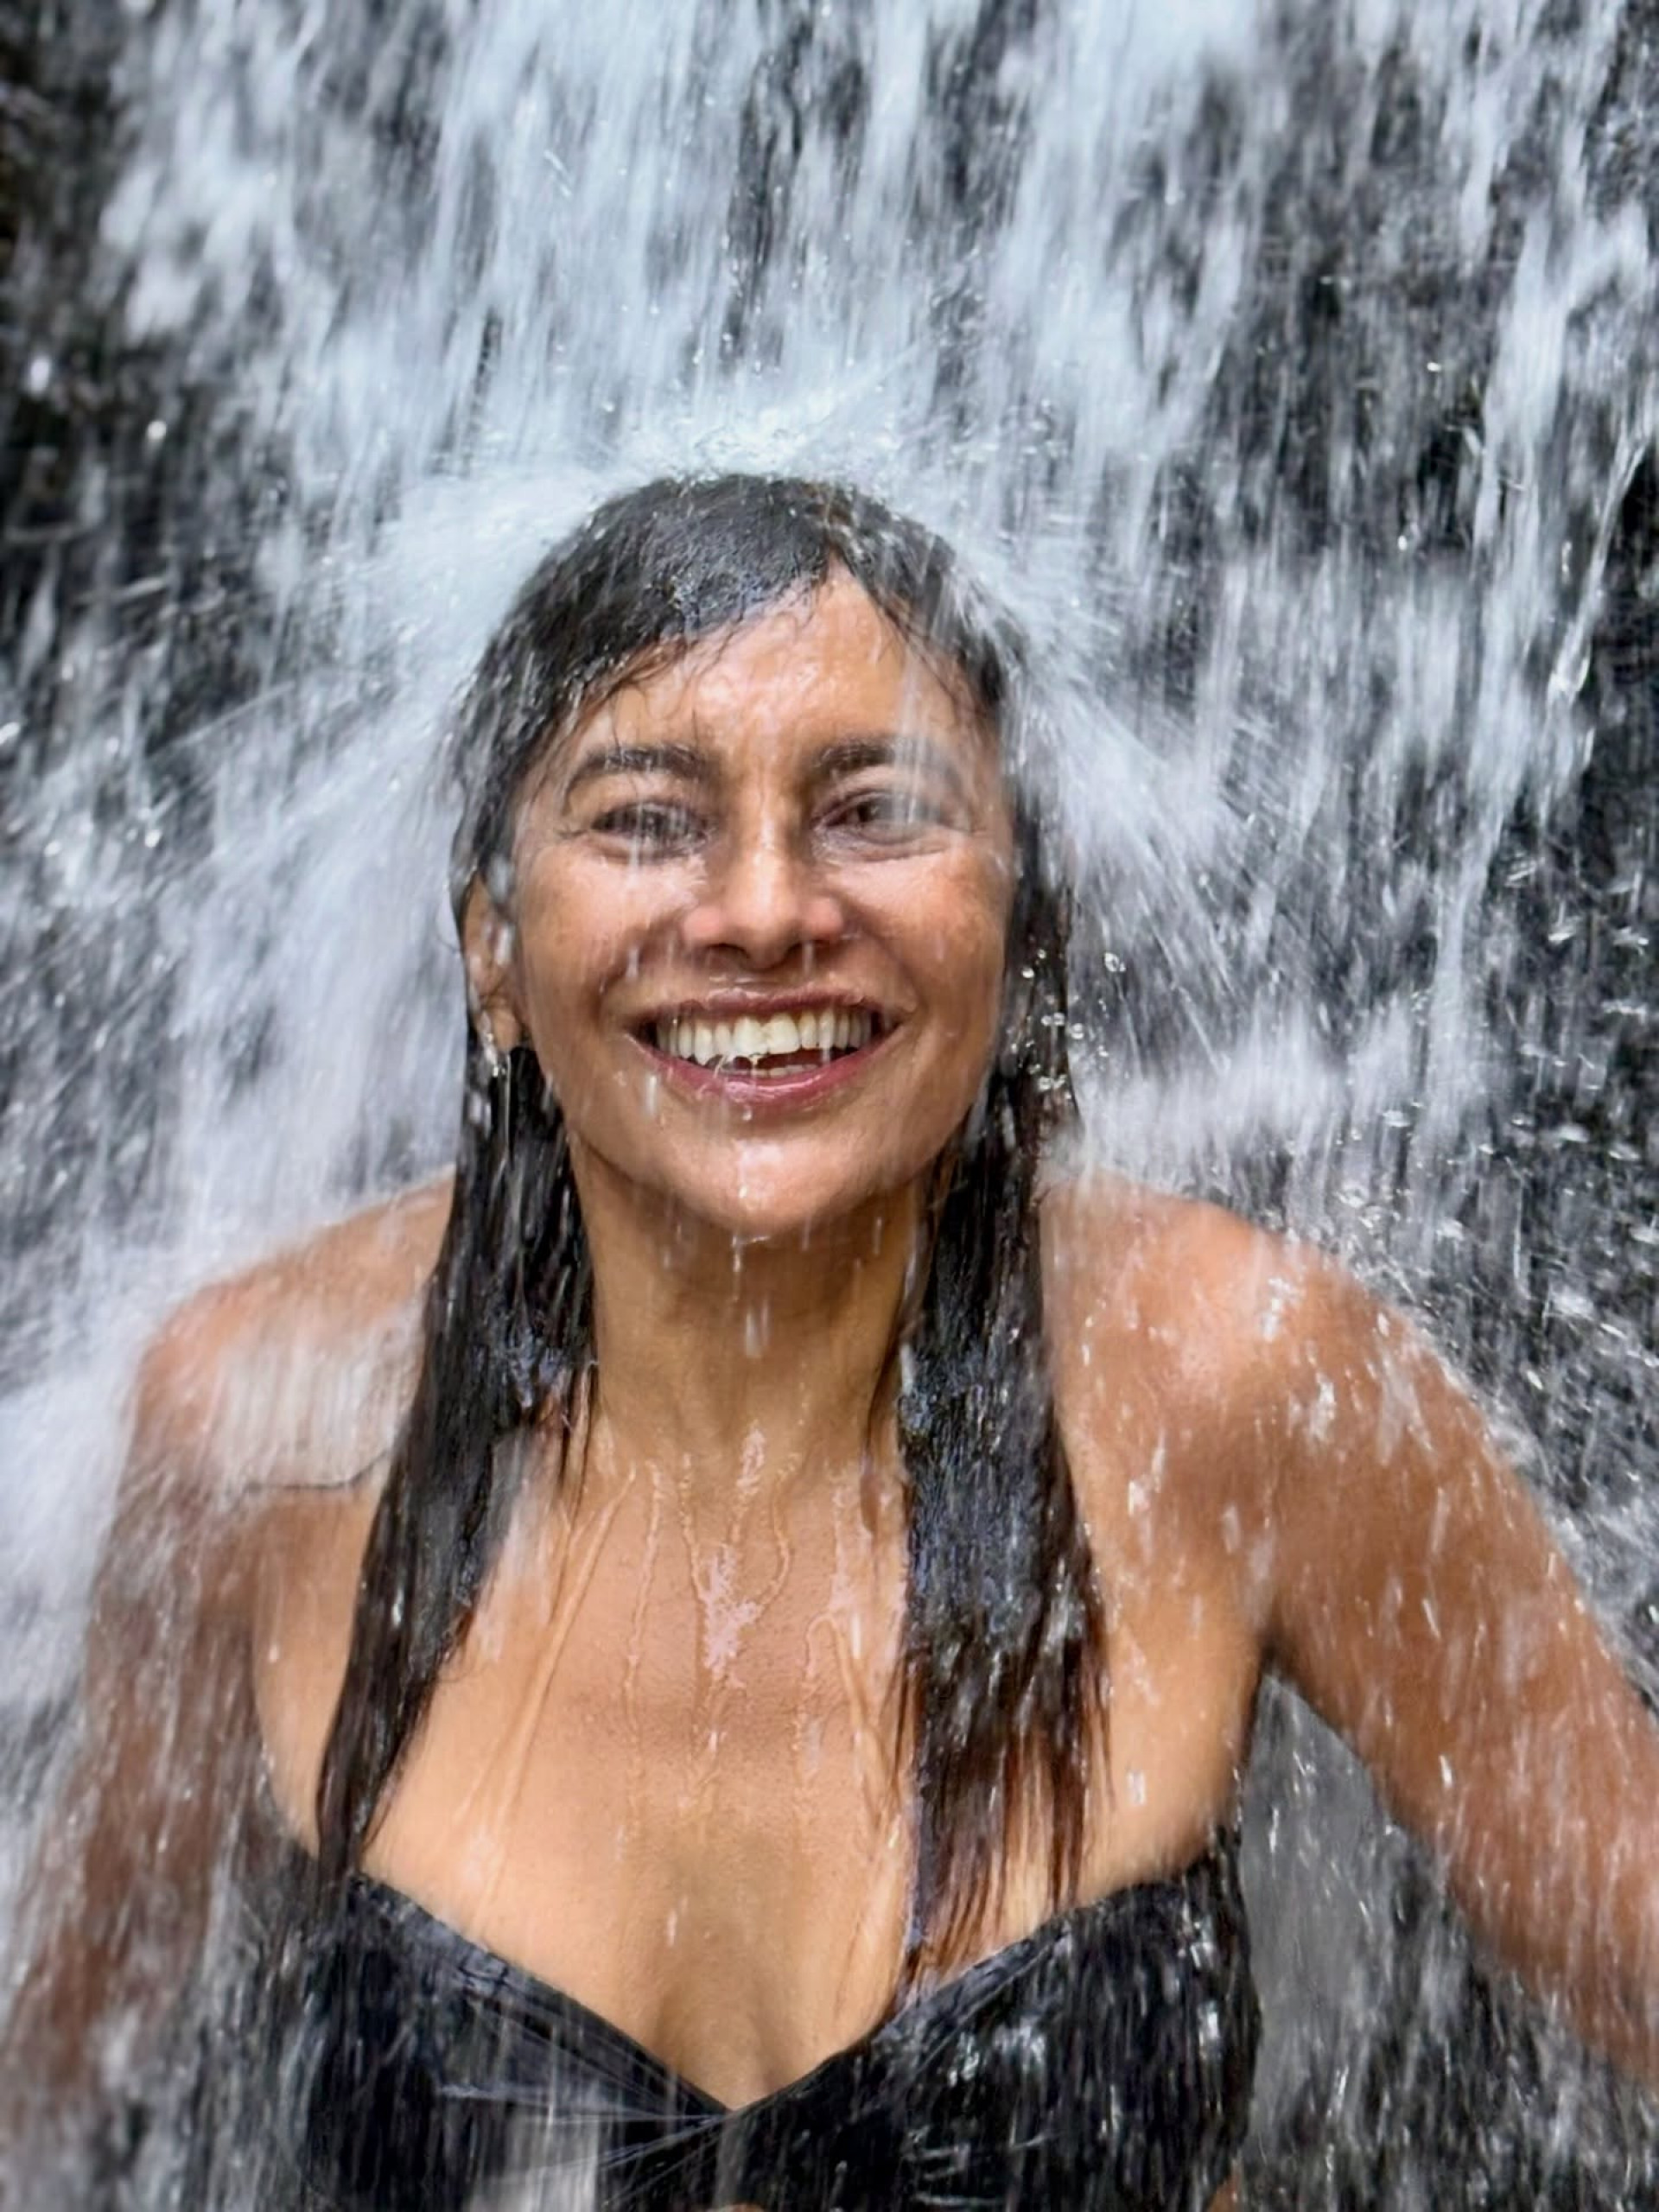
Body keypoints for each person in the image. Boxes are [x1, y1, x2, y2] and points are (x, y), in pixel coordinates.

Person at [3, 473, 1657, 2211]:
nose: (765, 906)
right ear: (493, 944)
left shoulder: (1244, 1385)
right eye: (646, 819)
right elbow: (57, 2079)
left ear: (1019, 922)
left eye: (874, 810)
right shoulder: (262, 1421)